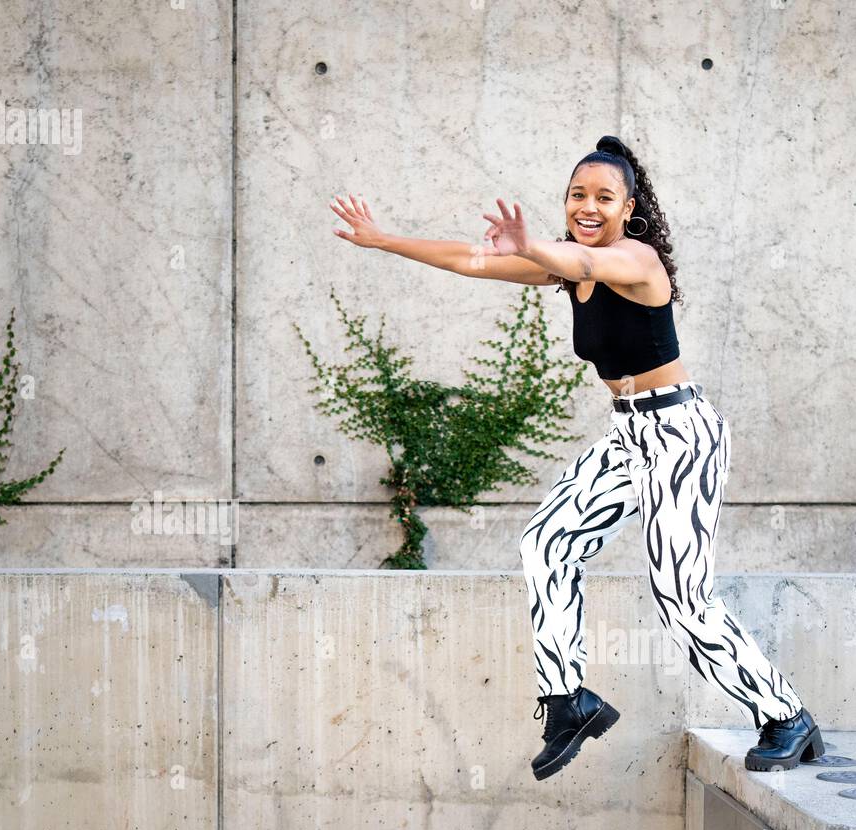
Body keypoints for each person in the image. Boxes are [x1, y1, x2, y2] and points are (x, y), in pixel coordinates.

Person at [329, 135, 823, 781]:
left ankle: (786, 717)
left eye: (603, 197)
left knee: (681, 596)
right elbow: (469, 260)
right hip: (629, 436)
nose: (588, 206)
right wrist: (383, 238)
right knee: (547, 544)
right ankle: (568, 701)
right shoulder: (567, 264)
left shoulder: (636, 260)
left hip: (681, 434)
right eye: (577, 195)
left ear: (628, 207)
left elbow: (587, 265)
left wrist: (531, 246)